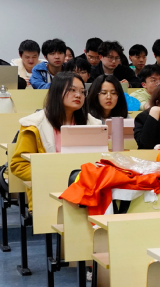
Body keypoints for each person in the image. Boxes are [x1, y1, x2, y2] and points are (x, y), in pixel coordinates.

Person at [10, 72, 100, 209]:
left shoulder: (93, 124)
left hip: (87, 190)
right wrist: (57, 174)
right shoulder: (34, 125)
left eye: (82, 92)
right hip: (47, 192)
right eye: (72, 90)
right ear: (57, 92)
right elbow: (19, 166)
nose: (78, 95)